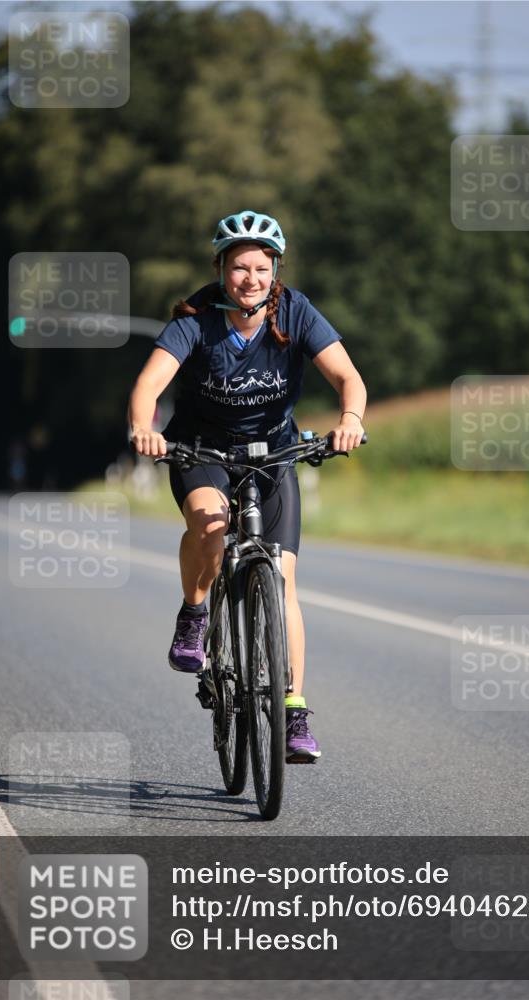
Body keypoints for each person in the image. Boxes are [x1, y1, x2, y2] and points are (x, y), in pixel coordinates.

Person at [128, 210, 366, 761]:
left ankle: (294, 710)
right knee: (211, 527)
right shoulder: (196, 319)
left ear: (275, 271)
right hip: (201, 449)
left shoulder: (296, 311)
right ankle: (194, 613)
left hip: (273, 452)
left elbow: (348, 378)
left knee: (281, 579)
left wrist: (350, 419)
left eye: (261, 268)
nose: (250, 279)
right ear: (220, 269)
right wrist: (144, 427)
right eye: (239, 268)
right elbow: (149, 383)